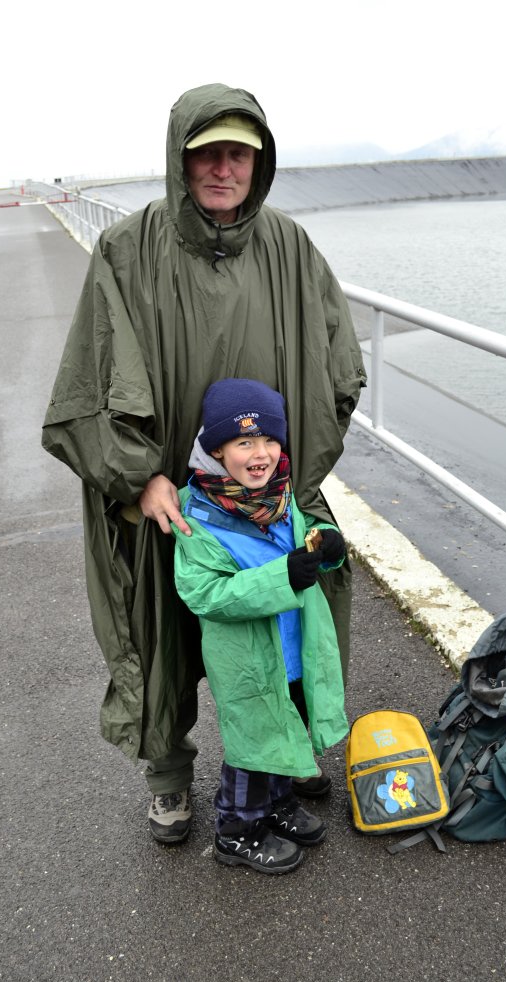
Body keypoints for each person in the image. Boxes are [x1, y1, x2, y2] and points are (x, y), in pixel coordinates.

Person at [41, 83, 366, 844]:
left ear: (259, 163)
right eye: (207, 153)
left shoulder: (289, 248)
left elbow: (336, 368)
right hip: (165, 497)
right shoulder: (127, 250)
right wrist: (138, 476)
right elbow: (93, 378)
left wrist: (294, 473)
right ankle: (169, 780)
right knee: (160, 636)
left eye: (238, 155)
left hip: (268, 492)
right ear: (179, 160)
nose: (224, 169)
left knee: (292, 614)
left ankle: (286, 756)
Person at [172, 378, 348, 874]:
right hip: (248, 659)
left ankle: (278, 804)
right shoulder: (196, 517)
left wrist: (326, 543)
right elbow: (204, 593)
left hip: (293, 648)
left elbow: (302, 543)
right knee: (252, 745)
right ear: (216, 449)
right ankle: (236, 831)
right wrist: (281, 576)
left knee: (285, 727)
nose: (262, 453)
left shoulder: (281, 494)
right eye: (244, 442)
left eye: (270, 439)